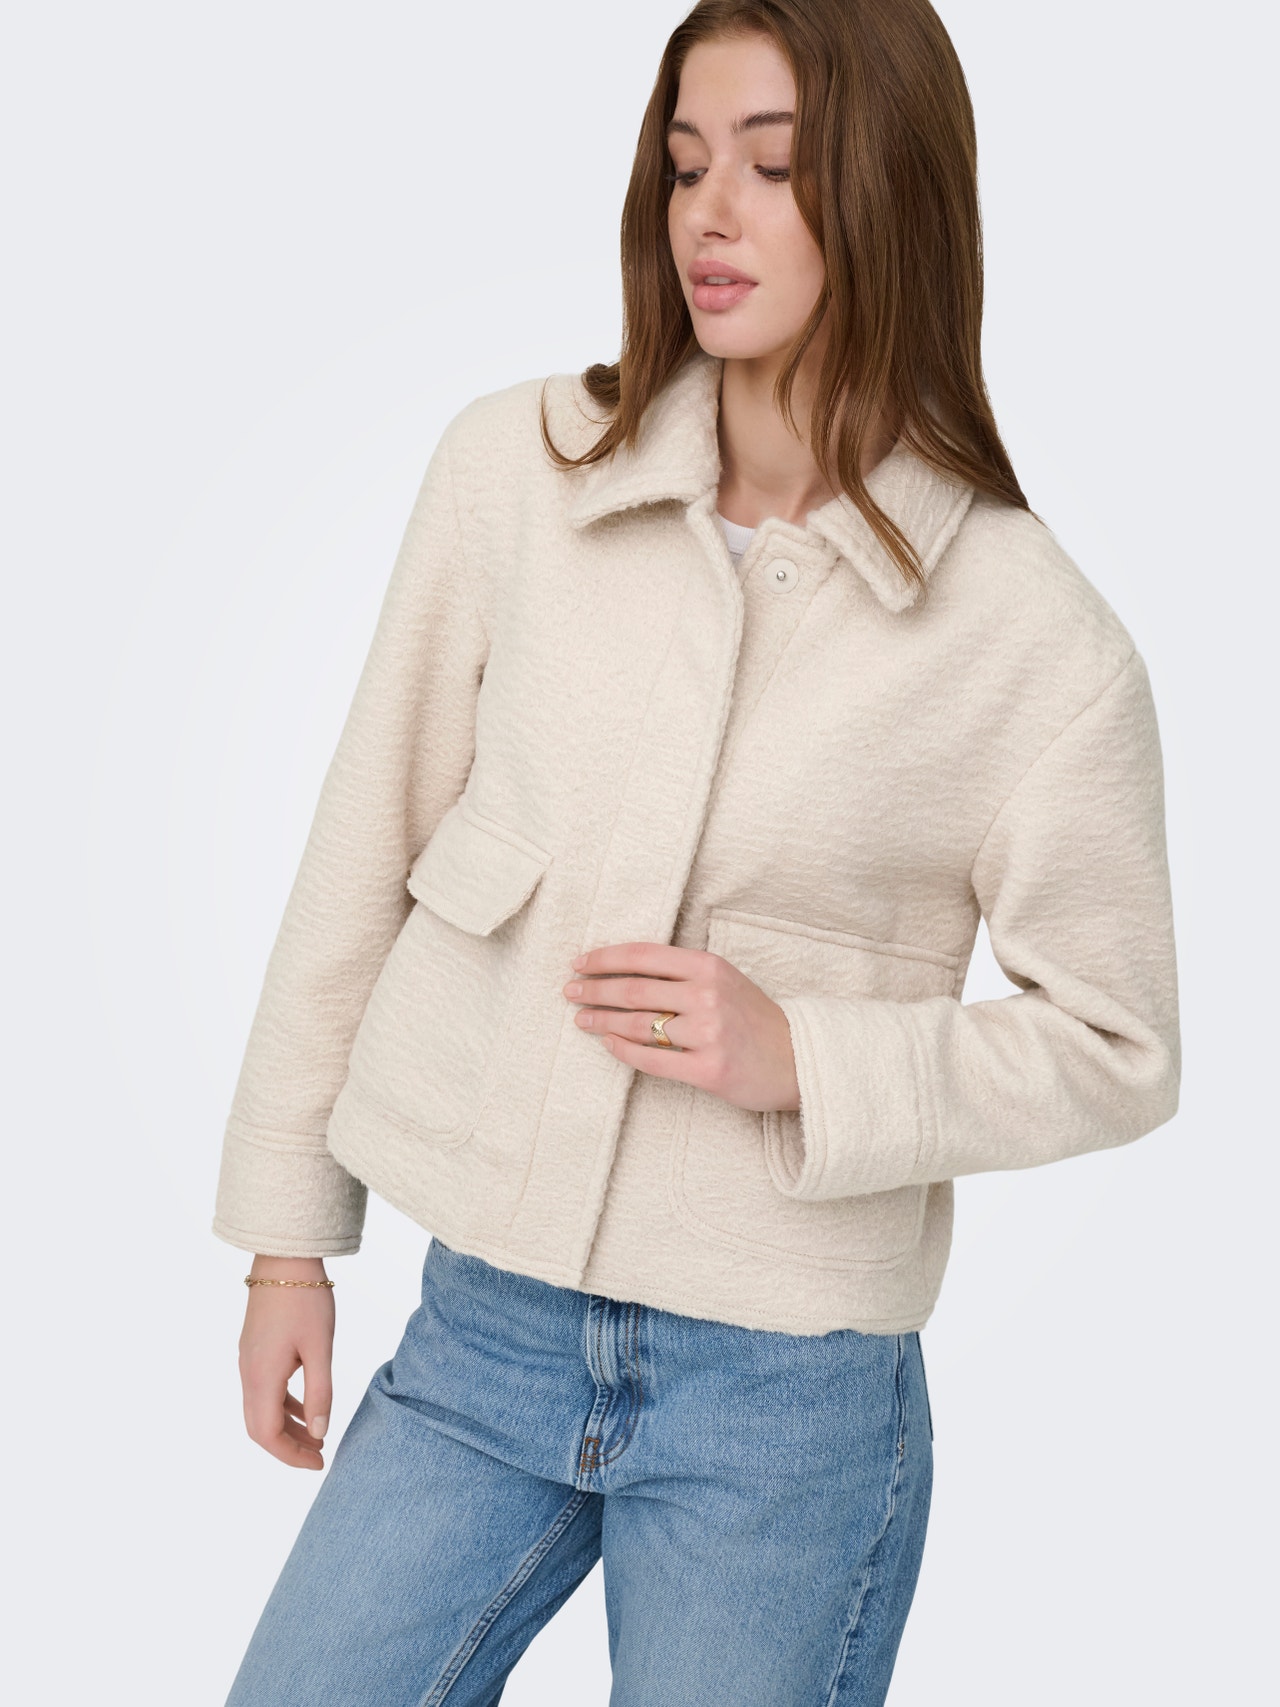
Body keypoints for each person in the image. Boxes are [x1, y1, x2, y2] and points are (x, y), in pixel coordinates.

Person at [215, 1, 1180, 1702]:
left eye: (774, 166)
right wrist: (288, 1242)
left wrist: (808, 1055)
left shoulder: (1036, 638)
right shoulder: (517, 473)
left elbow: (1119, 1045)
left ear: (891, 191)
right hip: (486, 1328)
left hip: (787, 1396)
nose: (709, 213)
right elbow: (361, 846)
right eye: (683, 163)